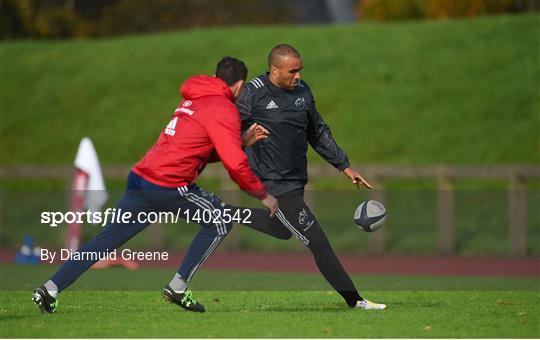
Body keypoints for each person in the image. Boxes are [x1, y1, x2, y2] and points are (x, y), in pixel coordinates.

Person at [32, 57, 279, 314]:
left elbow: (195, 148)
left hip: (142, 178)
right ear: (239, 85)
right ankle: (178, 286)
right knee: (220, 221)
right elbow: (235, 165)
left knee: (105, 241)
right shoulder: (223, 108)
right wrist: (263, 195)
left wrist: (240, 141)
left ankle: (50, 288)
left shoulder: (193, 97)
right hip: (168, 185)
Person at [231, 44, 386, 310]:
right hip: (272, 183)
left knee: (281, 230)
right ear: (274, 69)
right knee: (318, 241)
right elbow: (228, 131)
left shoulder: (302, 92)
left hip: (295, 181)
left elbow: (318, 131)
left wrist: (344, 166)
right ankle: (355, 300)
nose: (298, 76)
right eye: (292, 71)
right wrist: (243, 146)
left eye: (300, 70)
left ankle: (225, 213)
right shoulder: (252, 94)